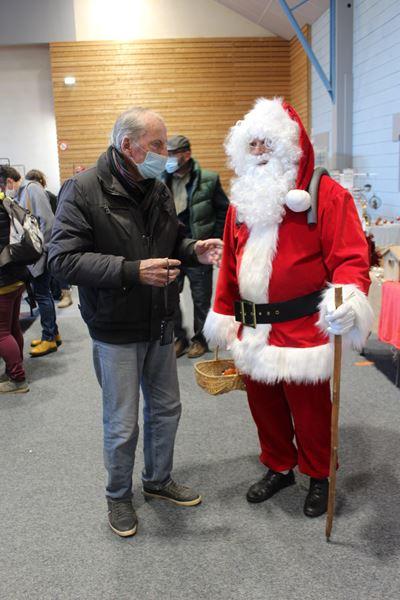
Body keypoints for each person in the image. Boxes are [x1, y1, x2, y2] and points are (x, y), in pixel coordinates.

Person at [48, 107, 223, 538]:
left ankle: (158, 480)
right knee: (123, 422)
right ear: (128, 146)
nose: (166, 154)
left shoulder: (156, 187)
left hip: (160, 321)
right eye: (158, 145)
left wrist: (192, 248)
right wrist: (132, 270)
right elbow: (62, 260)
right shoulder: (83, 189)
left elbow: (169, 238)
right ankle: (118, 496)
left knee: (166, 410)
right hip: (116, 328)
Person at [204, 98, 373, 518]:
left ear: (290, 147)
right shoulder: (241, 203)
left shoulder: (327, 195)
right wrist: (223, 314)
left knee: (312, 412)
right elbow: (230, 265)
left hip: (302, 328)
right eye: (252, 145)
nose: (259, 153)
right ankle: (279, 466)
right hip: (252, 329)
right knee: (264, 407)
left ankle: (319, 475)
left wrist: (347, 300)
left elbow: (350, 257)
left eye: (267, 144)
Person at [163, 135, 229, 358]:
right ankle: (179, 337)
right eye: (167, 153)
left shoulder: (208, 179)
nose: (169, 158)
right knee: (170, 297)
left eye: (173, 154)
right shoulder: (160, 180)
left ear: (186, 154)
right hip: (172, 249)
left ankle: (200, 340)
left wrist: (215, 238)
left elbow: (224, 211)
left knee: (201, 298)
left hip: (199, 249)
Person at [17, 175, 61, 356]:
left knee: (43, 295)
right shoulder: (26, 190)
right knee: (44, 294)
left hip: (40, 253)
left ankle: (49, 338)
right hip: (38, 253)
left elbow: (48, 222)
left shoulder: (31, 189)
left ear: (9, 181)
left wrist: (42, 250)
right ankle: (54, 334)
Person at [25, 169, 73, 309]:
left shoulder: (48, 196)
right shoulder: (36, 194)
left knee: (57, 266)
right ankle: (59, 293)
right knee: (49, 271)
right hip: (47, 236)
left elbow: (52, 218)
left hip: (55, 235)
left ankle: (66, 294)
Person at [0, 168, 29, 393]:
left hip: (3, 281)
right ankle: (15, 369)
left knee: (2, 333)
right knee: (12, 328)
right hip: (17, 276)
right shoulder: (8, 204)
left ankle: (17, 379)